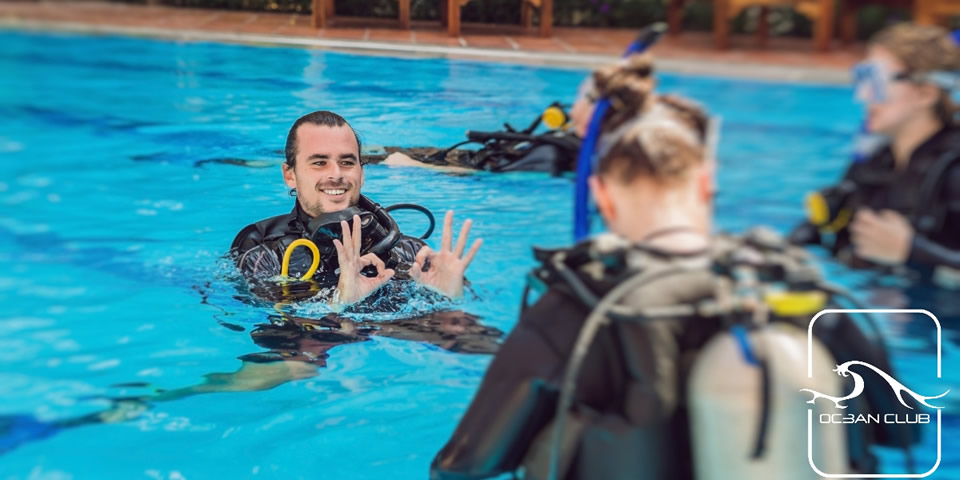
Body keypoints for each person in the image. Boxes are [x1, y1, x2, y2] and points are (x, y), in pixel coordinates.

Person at [430, 54, 918, 480]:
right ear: (706, 185)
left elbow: (463, 466)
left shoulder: (574, 311)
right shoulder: (800, 293)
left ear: (601, 193)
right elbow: (902, 434)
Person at [230, 110, 483, 305]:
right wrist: (339, 303)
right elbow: (280, 338)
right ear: (290, 175)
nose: (336, 174)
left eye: (347, 162)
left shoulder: (409, 252)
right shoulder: (265, 254)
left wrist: (449, 301)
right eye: (319, 162)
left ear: (361, 173)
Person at [790, 23, 960, 288]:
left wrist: (912, 252)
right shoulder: (875, 162)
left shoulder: (953, 169)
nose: (862, 95)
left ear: (925, 93)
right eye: (862, 78)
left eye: (876, 82)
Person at [368, 82, 597, 174]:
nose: (573, 103)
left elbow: (489, 174)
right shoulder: (564, 138)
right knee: (379, 151)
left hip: (460, 167)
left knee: (374, 160)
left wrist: (415, 165)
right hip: (466, 155)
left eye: (581, 98)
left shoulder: (552, 154)